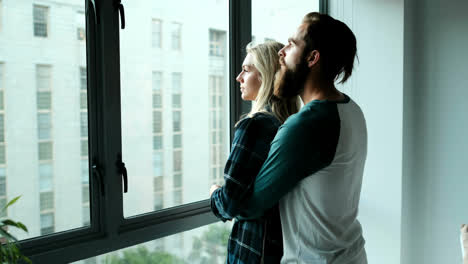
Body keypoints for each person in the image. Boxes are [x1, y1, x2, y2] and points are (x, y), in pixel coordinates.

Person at [228, 12, 368, 263]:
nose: (281, 52)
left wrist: (218, 191)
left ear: (313, 58)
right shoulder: (351, 109)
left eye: (291, 44)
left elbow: (250, 205)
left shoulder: (307, 125)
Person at [209, 41, 300, 264]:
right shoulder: (290, 125)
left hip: (253, 250)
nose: (238, 77)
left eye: (247, 70)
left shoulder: (254, 126)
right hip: (283, 246)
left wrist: (213, 194)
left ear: (265, 76)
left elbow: (229, 203)